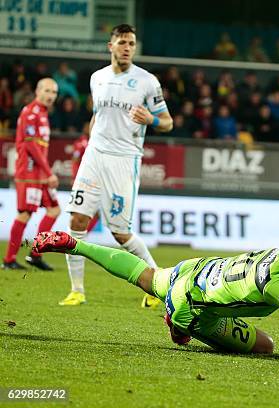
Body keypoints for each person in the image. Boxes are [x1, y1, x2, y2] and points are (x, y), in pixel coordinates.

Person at [32, 225, 279, 354]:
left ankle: (75, 244)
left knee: (146, 276)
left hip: (196, 270)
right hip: (193, 302)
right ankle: (180, 323)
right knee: (266, 347)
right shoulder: (276, 281)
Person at [62, 24, 173, 306]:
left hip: (124, 160)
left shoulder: (147, 81)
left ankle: (158, 285)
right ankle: (77, 290)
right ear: (110, 46)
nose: (127, 48)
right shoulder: (97, 78)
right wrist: (91, 141)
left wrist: (152, 120)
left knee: (120, 232)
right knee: (76, 220)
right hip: (95, 154)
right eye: (122, 42)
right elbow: (97, 115)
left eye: (131, 43)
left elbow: (168, 122)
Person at [2, 78, 59, 271]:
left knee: (54, 210)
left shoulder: (43, 113)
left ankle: (36, 255)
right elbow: (30, 145)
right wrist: (49, 172)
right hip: (29, 173)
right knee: (25, 214)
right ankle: (9, 260)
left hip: (39, 173)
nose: (51, 96)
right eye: (47, 91)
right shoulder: (30, 112)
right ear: (37, 90)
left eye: (54, 92)